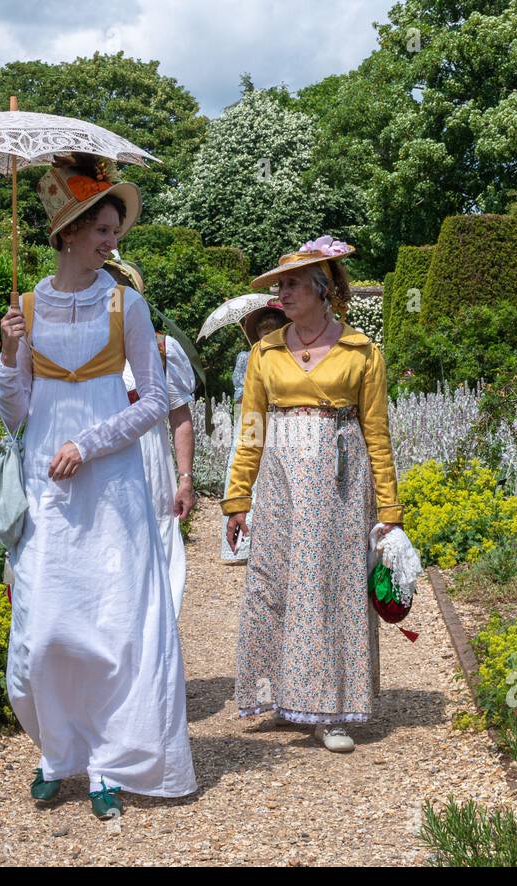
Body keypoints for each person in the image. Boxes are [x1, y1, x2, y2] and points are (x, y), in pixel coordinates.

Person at [0, 153, 197, 818]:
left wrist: (89, 443)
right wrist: (6, 353)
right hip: (48, 490)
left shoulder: (126, 304)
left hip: (109, 487)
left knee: (114, 624)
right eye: (102, 230)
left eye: (115, 231)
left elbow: (153, 400)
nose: (112, 242)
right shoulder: (26, 309)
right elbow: (17, 413)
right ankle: (59, 752)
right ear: (69, 232)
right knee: (46, 630)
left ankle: (110, 761)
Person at [221, 236, 403, 753]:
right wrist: (238, 498)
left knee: (330, 588)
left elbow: (377, 432)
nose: (283, 293)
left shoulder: (361, 351)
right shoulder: (265, 351)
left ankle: (332, 709)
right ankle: (277, 696)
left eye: (293, 284)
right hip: (280, 480)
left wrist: (389, 508)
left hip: (340, 482)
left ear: (323, 289)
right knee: (274, 581)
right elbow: (251, 427)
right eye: (280, 285)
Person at [105, 256, 198, 617]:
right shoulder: (84, 346)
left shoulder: (162, 349)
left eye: (116, 288)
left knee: (157, 537)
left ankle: (159, 630)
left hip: (148, 455)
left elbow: (180, 418)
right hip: (101, 456)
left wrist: (186, 479)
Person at [219, 298, 288, 563]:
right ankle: (243, 542)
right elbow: (240, 394)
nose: (267, 336)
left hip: (280, 424)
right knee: (246, 470)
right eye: (263, 332)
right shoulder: (248, 358)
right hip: (254, 421)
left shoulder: (287, 358)